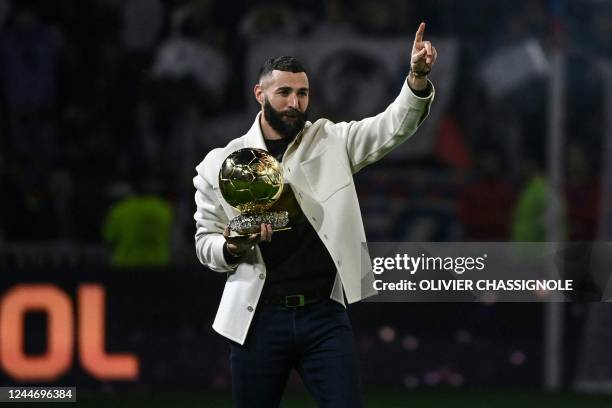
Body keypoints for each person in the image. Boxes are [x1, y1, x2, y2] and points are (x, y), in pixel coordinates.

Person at [193, 22, 437, 408]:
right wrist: (231, 245)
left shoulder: (331, 141)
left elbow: (393, 127)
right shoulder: (219, 164)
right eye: (284, 92)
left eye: (302, 93)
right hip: (257, 319)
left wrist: (416, 79)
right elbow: (205, 243)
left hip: (323, 316)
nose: (294, 102)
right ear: (260, 94)